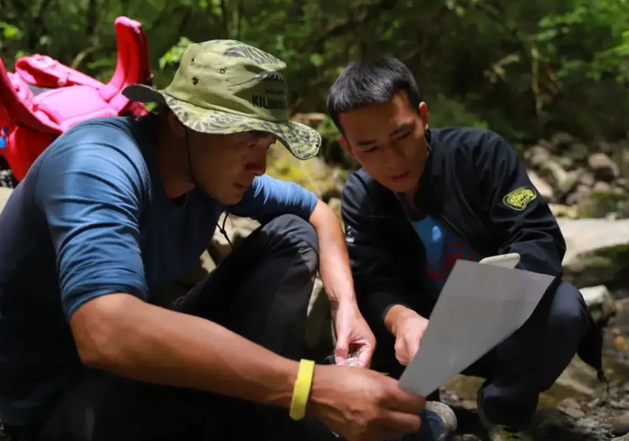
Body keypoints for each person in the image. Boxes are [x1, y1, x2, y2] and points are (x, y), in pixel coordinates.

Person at [0, 41, 431, 441]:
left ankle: (274, 413)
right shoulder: (97, 164)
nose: (259, 164)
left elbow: (318, 214)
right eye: (245, 140)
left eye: (266, 143)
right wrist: (309, 387)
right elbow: (104, 332)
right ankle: (283, 414)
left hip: (137, 373)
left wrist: (346, 311)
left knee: (291, 232)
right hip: (57, 400)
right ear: (179, 122)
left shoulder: (210, 172)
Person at [326, 56, 606, 441]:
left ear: (423, 117)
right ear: (347, 147)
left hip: (499, 322)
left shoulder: (481, 154)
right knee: (355, 323)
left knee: (564, 306)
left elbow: (538, 234)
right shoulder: (361, 195)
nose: (392, 160)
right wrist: (401, 319)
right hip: (417, 341)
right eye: (370, 148)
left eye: (402, 136)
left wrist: (494, 293)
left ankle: (503, 410)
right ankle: (419, 414)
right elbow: (372, 281)